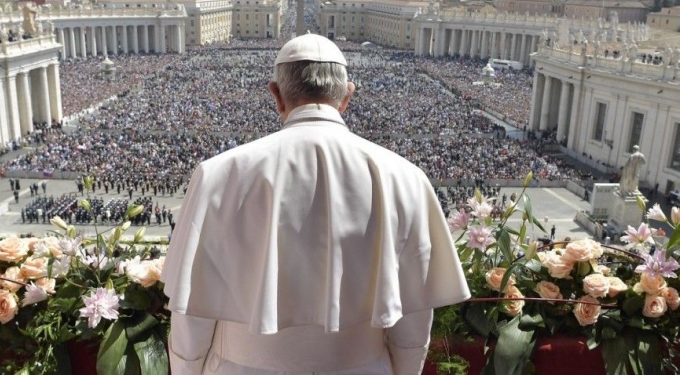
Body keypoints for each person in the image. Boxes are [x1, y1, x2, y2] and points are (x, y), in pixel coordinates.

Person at [161, 34, 470, 375]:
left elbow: (192, 316)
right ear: (346, 96)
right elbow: (412, 317)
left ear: (276, 95)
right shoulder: (405, 177)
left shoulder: (217, 174)